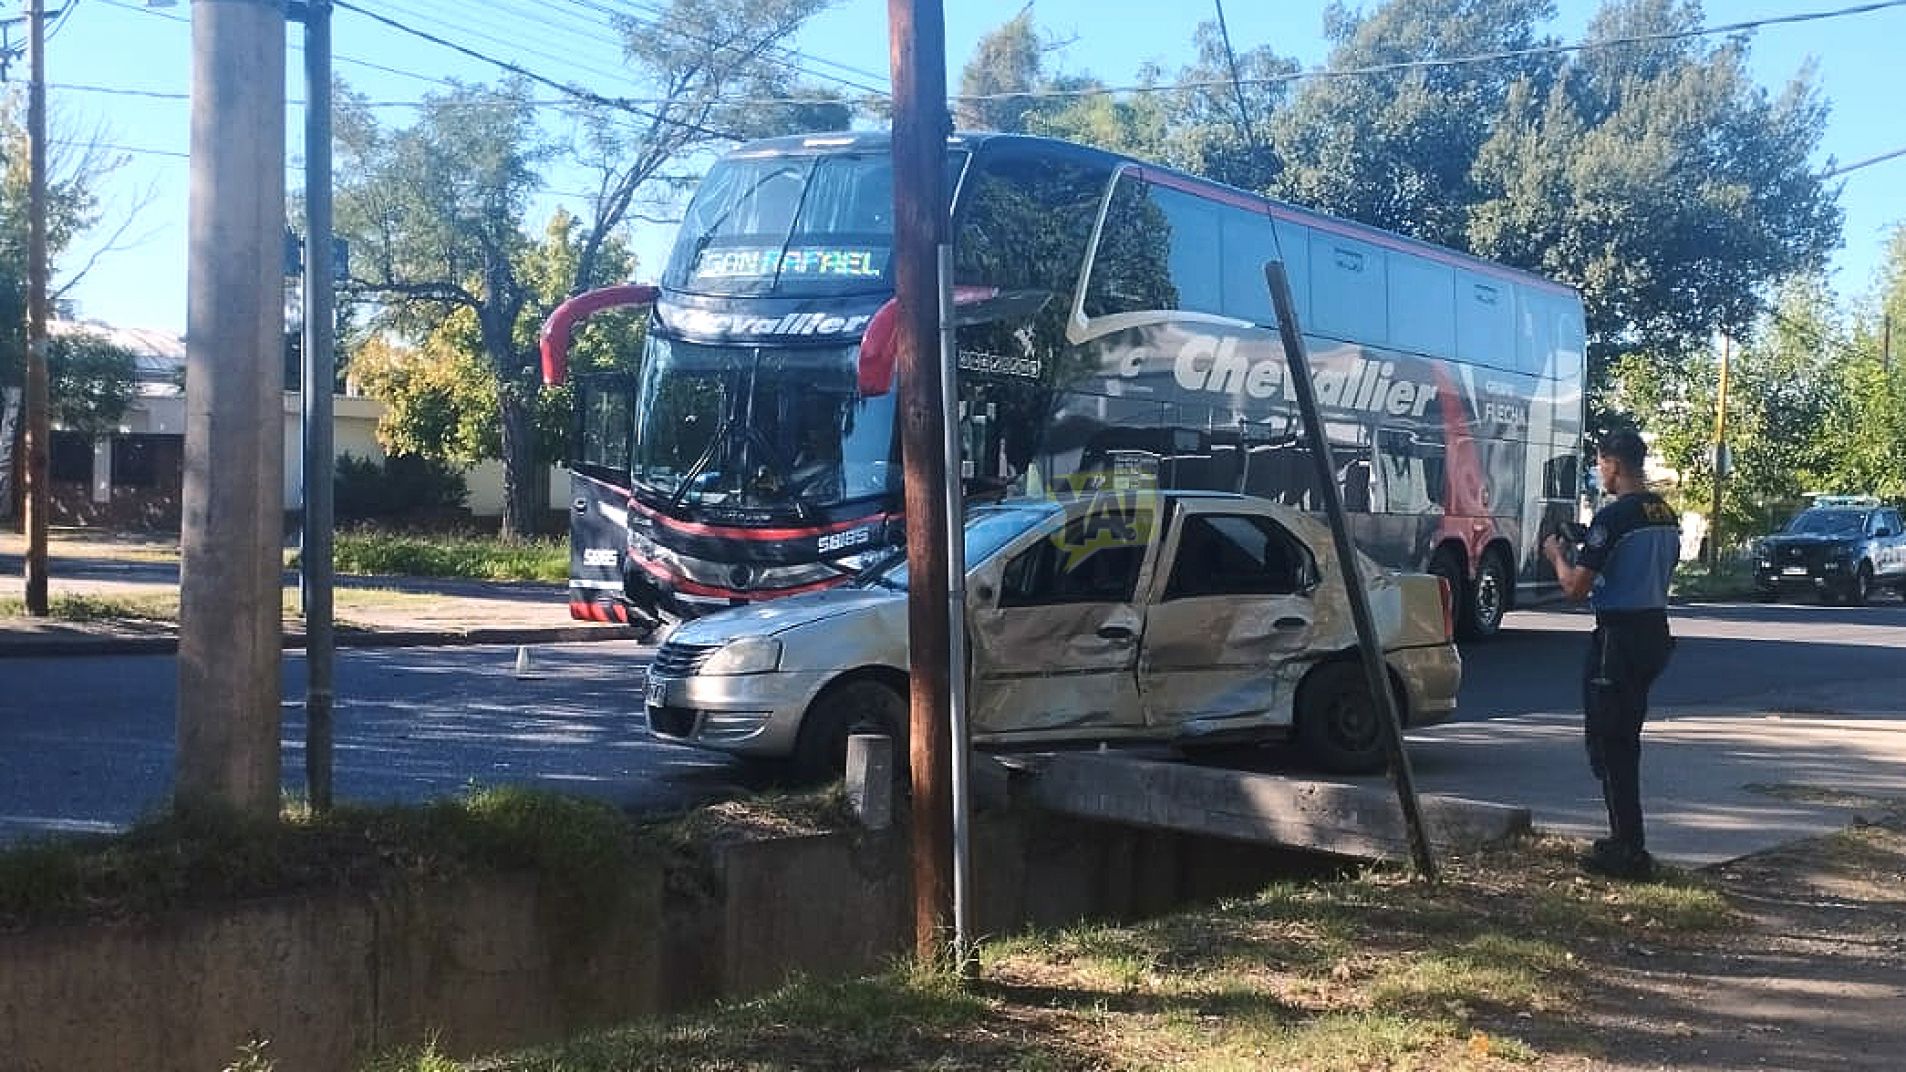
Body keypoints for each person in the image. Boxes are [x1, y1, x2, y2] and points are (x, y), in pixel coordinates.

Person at [1541, 429, 1680, 881]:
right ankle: (1626, 838)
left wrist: (1558, 556)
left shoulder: (1614, 518)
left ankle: (1627, 847)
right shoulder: (1665, 513)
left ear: (1614, 464)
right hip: (1654, 629)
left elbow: (1575, 589)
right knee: (1626, 733)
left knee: (1609, 742)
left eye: (1601, 464)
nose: (1600, 472)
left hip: (1617, 637)